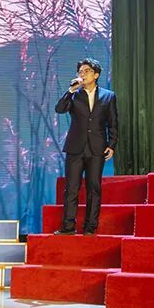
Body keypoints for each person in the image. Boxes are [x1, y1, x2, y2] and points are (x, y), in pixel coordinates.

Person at [54, 58, 118, 236]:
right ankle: (68, 227)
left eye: (86, 71)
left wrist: (112, 144)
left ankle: (90, 227)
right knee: (71, 188)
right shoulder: (74, 94)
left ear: (96, 75)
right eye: (80, 71)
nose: (82, 74)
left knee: (94, 188)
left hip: (97, 147)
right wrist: (70, 91)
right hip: (75, 147)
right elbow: (60, 109)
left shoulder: (108, 96)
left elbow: (113, 122)